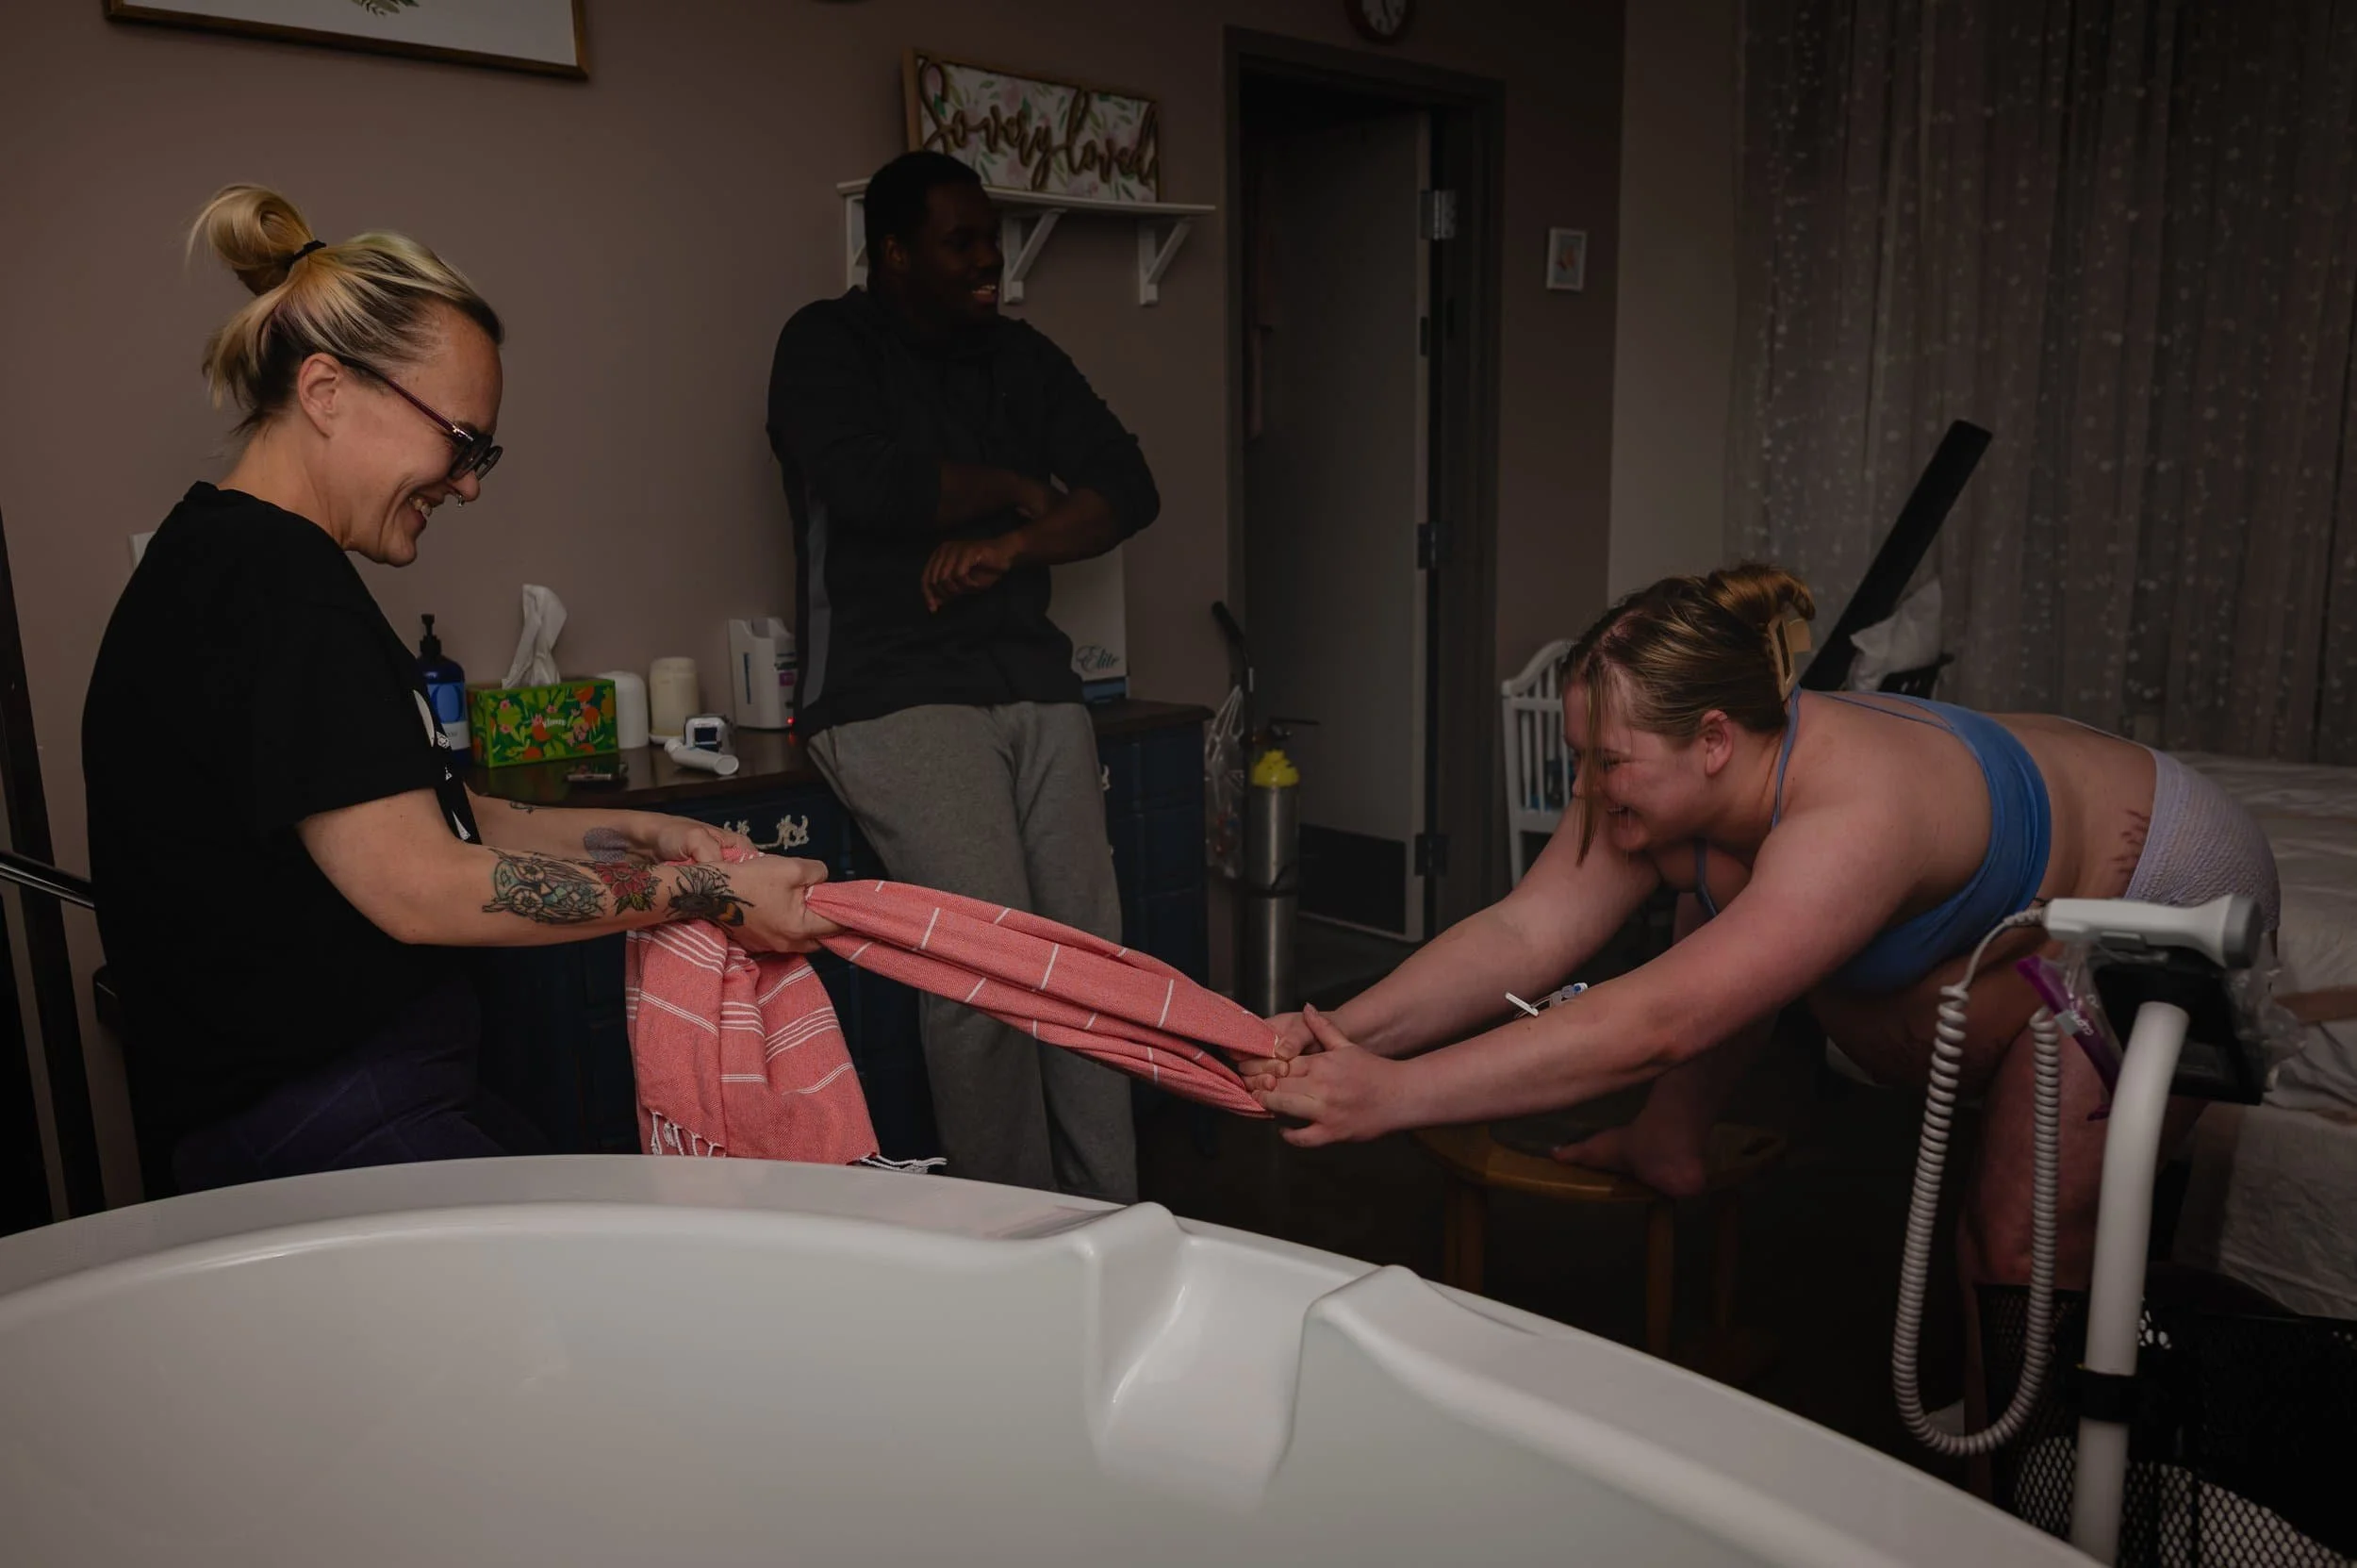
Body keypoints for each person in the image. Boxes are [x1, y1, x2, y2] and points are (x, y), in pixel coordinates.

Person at [86, 185, 839, 1196]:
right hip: (322, 1118)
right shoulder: (265, 584)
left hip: (371, 1088)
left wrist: (642, 835)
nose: (470, 482)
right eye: (460, 441)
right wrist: (707, 891)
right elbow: (421, 883)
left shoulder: (251, 565)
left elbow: (438, 815)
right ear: (326, 392)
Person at [1246, 565, 2280, 1288]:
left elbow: (1659, 1020)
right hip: (2039, 837)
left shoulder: (1853, 816)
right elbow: (1524, 934)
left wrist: (1394, 1096)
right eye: (1582, 759)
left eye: (1607, 765)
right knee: (1721, 897)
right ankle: (1670, 1136)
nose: (1588, 790)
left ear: (1710, 740)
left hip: (2156, 878)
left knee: (2010, 1245)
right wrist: (1341, 1029)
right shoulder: (1661, 772)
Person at [766, 151, 1160, 1203]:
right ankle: (1012, 1233)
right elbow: (864, 481)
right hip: (889, 691)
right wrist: (1014, 488)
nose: (989, 261)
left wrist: (1011, 546)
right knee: (989, 969)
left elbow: (1128, 487)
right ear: (893, 253)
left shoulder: (1019, 358)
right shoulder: (824, 344)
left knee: (1088, 961)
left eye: (991, 238)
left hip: (1029, 680)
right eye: (962, 241)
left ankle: (1110, 1217)